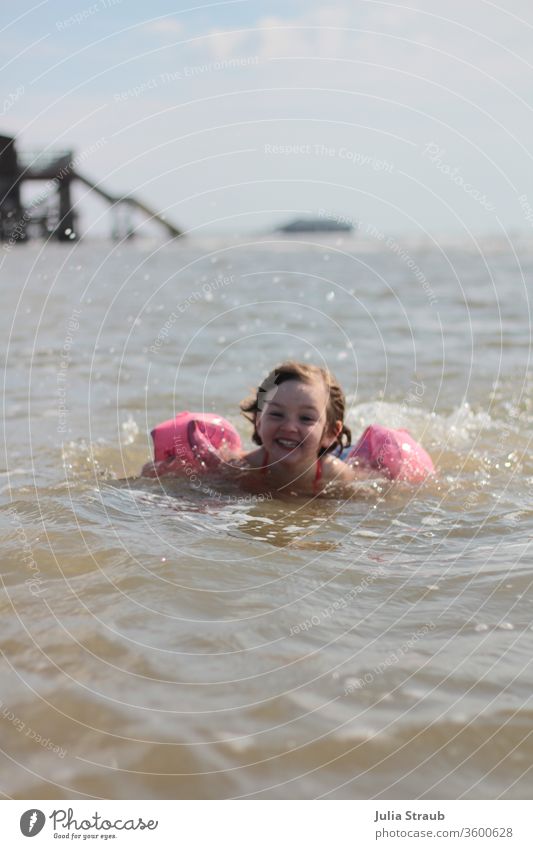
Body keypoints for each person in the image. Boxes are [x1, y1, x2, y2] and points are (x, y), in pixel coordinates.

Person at [234, 361, 358, 495]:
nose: (289, 428)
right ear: (258, 421)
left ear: (330, 433)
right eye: (276, 414)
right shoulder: (242, 468)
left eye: (306, 418)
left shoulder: (338, 476)